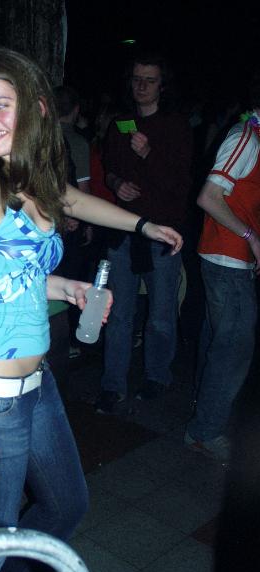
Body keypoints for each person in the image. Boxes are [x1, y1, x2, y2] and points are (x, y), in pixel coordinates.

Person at [0, 47, 183, 572]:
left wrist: (133, 232)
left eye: (0, 104)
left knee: (67, 504)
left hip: (37, 384)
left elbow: (67, 208)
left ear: (38, 107)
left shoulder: (29, 175)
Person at [96, 51, 193, 413]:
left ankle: (157, 376)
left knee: (161, 314)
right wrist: (116, 183)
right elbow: (109, 169)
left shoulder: (176, 126)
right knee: (118, 313)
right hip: (123, 232)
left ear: (162, 85)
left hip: (162, 236)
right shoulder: (120, 123)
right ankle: (113, 384)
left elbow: (180, 184)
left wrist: (150, 153)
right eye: (137, 78)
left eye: (149, 80)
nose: (141, 86)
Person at [184, 72, 260, 461]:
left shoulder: (254, 137)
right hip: (226, 258)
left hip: (231, 259)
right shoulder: (247, 137)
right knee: (234, 348)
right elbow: (209, 197)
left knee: (219, 341)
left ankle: (203, 415)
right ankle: (205, 430)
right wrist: (251, 237)